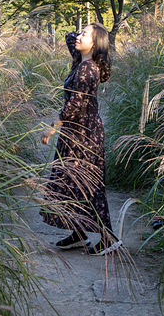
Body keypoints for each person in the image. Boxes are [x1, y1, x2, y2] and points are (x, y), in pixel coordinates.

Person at [40, 23, 121, 255]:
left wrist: (53, 126)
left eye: (85, 34)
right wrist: (86, 34)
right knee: (69, 181)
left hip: (84, 135)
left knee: (86, 184)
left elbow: (77, 103)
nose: (78, 36)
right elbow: (69, 37)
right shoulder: (81, 61)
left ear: (94, 44)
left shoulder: (88, 68)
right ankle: (78, 233)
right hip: (76, 133)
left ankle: (109, 238)